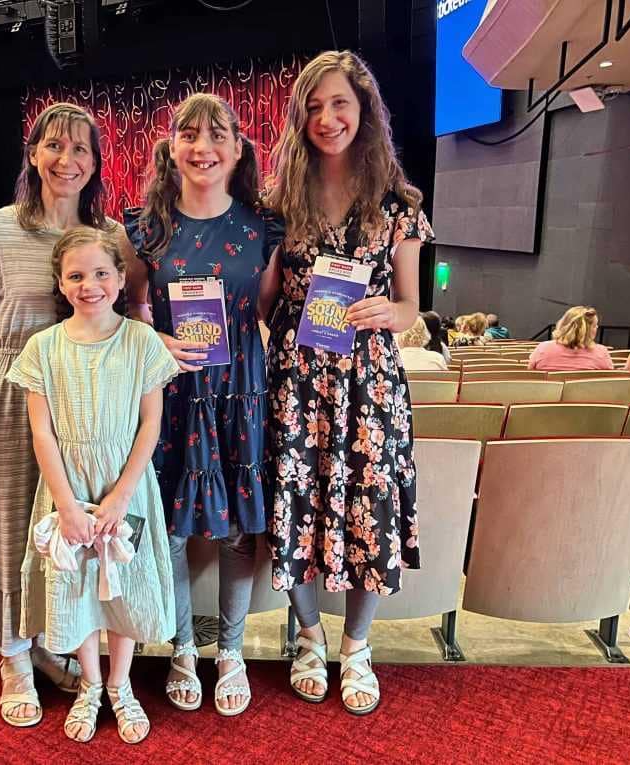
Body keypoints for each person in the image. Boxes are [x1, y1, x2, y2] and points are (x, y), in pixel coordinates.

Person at [261, 50, 433, 716]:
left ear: (364, 111)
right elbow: (265, 302)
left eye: (339, 104)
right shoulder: (279, 202)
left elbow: (414, 306)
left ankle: (356, 647)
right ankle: (308, 636)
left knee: (372, 514)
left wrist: (392, 311)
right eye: (313, 107)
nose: (327, 118)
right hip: (297, 383)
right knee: (291, 511)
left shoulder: (398, 205)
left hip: (369, 384)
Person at [0, 102, 111, 727]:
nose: (66, 160)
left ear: (95, 163)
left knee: (65, 534)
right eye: (54, 146)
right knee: (10, 530)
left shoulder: (106, 236)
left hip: (80, 406)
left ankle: (48, 643)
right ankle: (13, 657)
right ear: (34, 153)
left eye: (80, 150)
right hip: (14, 397)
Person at [122, 92, 281, 717]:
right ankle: (186, 645)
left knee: (241, 524)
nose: (203, 147)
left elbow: (268, 311)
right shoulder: (147, 228)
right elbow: (128, 308)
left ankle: (232, 650)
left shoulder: (260, 226)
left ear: (237, 149)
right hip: (175, 391)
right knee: (177, 527)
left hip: (241, 389)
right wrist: (153, 336)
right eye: (189, 135)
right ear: (172, 148)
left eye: (217, 136)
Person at [7, 226, 178, 743]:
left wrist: (121, 496)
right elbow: (43, 431)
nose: (90, 285)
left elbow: (151, 425)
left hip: (126, 487)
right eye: (76, 275)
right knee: (77, 589)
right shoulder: (43, 348)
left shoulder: (141, 341)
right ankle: (90, 686)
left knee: (121, 591)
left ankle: (122, 685)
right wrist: (67, 506)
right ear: (61, 283)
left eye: (101, 273)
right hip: (68, 491)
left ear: (120, 278)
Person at [527, 306, 613, 371]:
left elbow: (531, 377)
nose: (597, 328)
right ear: (587, 330)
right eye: (595, 326)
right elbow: (609, 383)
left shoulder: (542, 348)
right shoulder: (602, 353)